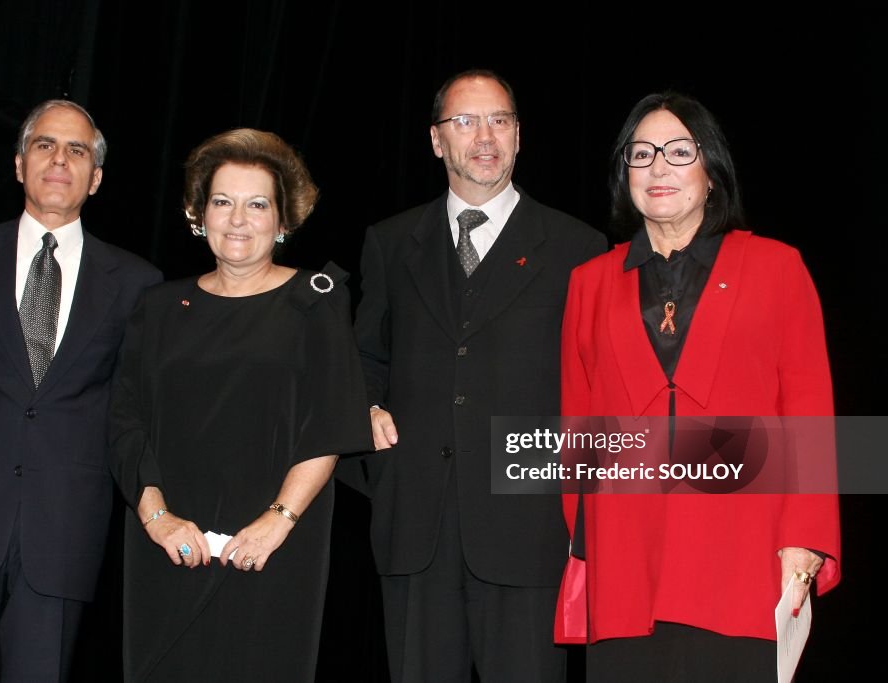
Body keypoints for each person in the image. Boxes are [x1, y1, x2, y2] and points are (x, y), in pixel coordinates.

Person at [554, 91, 841, 680]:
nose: (658, 166)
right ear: (624, 174)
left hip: (742, 557)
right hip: (624, 562)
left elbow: (810, 414)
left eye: (679, 151)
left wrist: (806, 538)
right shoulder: (588, 283)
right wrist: (585, 540)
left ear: (711, 171)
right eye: (642, 153)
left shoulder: (777, 267)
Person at [343, 69, 606, 681]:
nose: (484, 136)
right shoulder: (390, 242)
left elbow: (599, 383)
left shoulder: (579, 247)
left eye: (500, 120)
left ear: (519, 136)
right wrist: (367, 404)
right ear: (437, 141)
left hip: (529, 526)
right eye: (465, 121)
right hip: (415, 525)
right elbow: (365, 357)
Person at [0, 99, 162, 681]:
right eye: (45, 144)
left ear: (95, 179)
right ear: (20, 164)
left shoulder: (139, 284)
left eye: (77, 150)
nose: (59, 160)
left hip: (64, 536)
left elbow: (129, 408)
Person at [108, 128, 372, 682]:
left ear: (282, 222)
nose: (237, 219)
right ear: (198, 214)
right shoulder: (158, 306)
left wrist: (276, 522)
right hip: (169, 547)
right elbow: (124, 421)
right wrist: (156, 518)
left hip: (274, 548)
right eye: (222, 202)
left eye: (257, 205)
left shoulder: (316, 300)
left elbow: (331, 422)